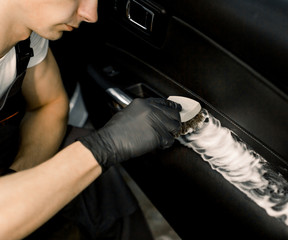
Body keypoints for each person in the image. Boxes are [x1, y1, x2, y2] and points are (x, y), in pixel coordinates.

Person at [0, 0, 182, 239]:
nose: (90, 14)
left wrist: (22, 179)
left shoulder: (26, 32)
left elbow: (49, 105)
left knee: (80, 154)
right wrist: (103, 148)